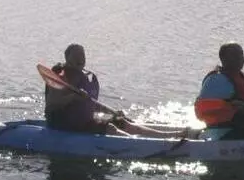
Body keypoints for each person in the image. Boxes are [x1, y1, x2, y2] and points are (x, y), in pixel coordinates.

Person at [45, 44, 186, 138]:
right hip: (63, 124)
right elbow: (52, 102)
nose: (80, 60)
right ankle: (142, 145)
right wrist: (73, 97)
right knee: (111, 128)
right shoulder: (61, 75)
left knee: (121, 121)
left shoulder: (83, 76)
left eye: (82, 56)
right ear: (66, 58)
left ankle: (171, 136)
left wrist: (112, 112)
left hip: (80, 121)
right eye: (76, 57)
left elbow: (90, 104)